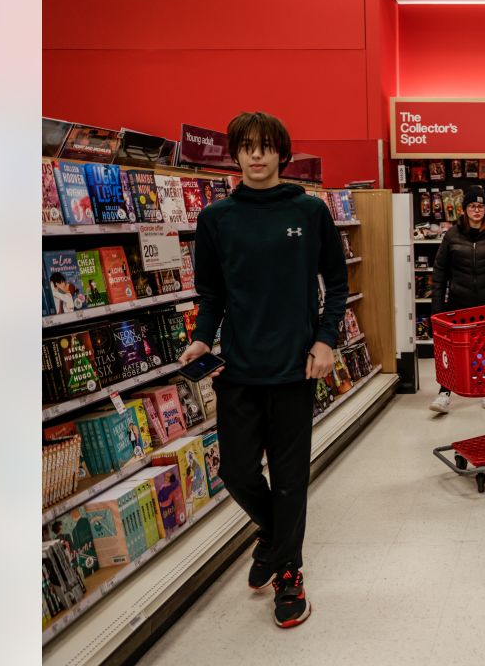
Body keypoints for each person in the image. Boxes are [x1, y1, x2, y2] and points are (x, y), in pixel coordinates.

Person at [178, 111, 347, 629]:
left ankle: (289, 573)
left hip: (296, 367)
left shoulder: (310, 211)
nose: (256, 155)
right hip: (239, 369)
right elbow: (212, 294)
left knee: (292, 478)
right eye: (246, 146)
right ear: (235, 153)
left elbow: (336, 286)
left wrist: (325, 340)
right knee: (236, 471)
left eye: (265, 146)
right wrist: (202, 338)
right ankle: (274, 535)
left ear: (281, 153)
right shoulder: (216, 220)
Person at [430, 186, 485, 414]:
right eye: (472, 206)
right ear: (464, 209)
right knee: (451, 351)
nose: (477, 210)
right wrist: (437, 309)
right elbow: (439, 273)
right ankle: (444, 393)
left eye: (481, 206)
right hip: (459, 303)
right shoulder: (451, 235)